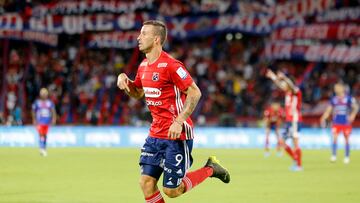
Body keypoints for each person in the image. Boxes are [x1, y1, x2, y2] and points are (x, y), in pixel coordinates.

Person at [117, 20, 230, 202]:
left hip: (176, 135)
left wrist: (179, 121)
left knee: (172, 191)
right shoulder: (143, 66)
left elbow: (195, 92)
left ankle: (211, 169)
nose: (138, 37)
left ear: (156, 39)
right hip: (155, 134)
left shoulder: (172, 65)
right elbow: (138, 93)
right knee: (146, 183)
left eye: (144, 34)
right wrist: (125, 81)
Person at [266, 69, 303, 171]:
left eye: (285, 84)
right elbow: (280, 84)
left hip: (295, 120)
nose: (283, 86)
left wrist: (285, 78)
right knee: (282, 142)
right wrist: (273, 76)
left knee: (295, 143)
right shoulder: (288, 93)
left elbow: (290, 85)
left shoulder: (297, 92)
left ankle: (299, 165)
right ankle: (295, 160)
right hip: (289, 121)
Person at [320, 82, 359, 164]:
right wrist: (324, 116)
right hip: (336, 122)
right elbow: (329, 109)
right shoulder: (334, 99)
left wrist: (352, 115)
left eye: (337, 87)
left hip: (346, 122)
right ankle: (334, 155)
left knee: (347, 139)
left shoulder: (348, 98)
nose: (335, 89)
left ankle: (347, 156)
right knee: (334, 138)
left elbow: (356, 107)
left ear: (342, 88)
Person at [32, 88, 56, 156]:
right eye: (42, 93)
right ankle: (41, 148)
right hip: (40, 121)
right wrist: (34, 119)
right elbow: (33, 111)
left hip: (47, 122)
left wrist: (54, 119)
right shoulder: (37, 102)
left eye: (45, 93)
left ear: (47, 94)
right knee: (41, 134)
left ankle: (44, 148)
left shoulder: (50, 103)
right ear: (40, 94)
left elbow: (53, 111)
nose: (44, 95)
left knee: (45, 135)